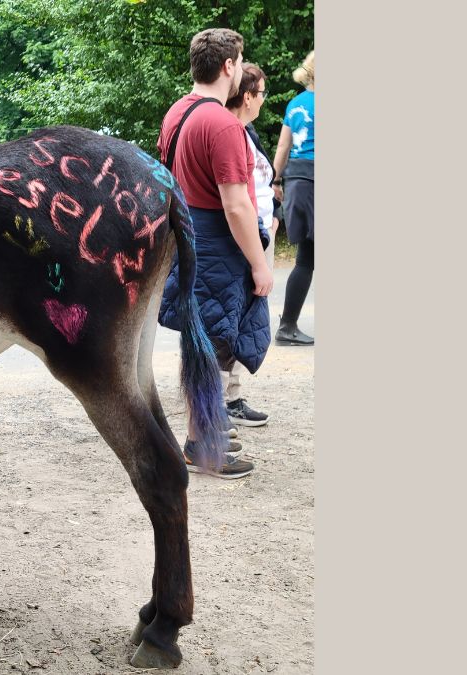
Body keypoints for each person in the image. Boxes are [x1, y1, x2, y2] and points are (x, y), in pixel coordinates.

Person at [157, 28, 272, 479]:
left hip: (187, 237)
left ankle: (206, 432)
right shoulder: (222, 123)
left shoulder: (178, 112)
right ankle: (203, 445)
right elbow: (236, 203)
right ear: (228, 66)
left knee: (202, 341)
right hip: (215, 242)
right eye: (241, 61)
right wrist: (261, 264)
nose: (243, 69)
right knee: (212, 343)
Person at [220, 62, 275, 428]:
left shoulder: (248, 132)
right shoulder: (229, 133)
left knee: (243, 321)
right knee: (229, 319)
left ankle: (232, 397)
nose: (264, 100)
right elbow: (235, 199)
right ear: (248, 96)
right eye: (262, 93)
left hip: (260, 234)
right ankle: (221, 402)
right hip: (245, 239)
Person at [272, 51, 315, 346]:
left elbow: (283, 146)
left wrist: (275, 180)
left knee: (306, 259)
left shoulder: (296, 103)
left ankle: (288, 325)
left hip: (298, 183)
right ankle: (287, 327)